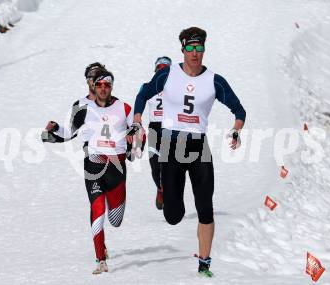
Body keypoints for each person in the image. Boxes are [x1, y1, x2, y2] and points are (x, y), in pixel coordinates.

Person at [132, 27, 246, 277]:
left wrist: (236, 130)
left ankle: (204, 263)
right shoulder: (167, 76)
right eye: (191, 48)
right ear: (182, 50)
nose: (195, 53)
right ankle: (171, 198)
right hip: (172, 147)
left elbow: (239, 110)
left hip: (198, 147)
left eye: (200, 48)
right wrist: (138, 120)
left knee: (205, 207)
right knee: (173, 215)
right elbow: (142, 95)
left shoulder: (215, 80)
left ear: (204, 49)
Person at [42, 69, 144, 274]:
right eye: (99, 85)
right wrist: (54, 129)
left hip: (117, 167)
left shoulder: (123, 107)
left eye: (107, 85)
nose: (103, 89)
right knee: (97, 210)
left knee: (115, 220)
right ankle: (100, 259)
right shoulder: (84, 109)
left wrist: (136, 140)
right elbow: (69, 132)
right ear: (93, 87)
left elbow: (138, 134)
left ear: (112, 87)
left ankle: (110, 206)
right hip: (94, 166)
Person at [142, 56, 172, 210]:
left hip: (170, 128)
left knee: (170, 165)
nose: (161, 71)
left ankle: (171, 193)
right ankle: (160, 189)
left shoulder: (175, 88)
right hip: (154, 128)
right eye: (159, 68)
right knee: (155, 165)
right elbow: (139, 101)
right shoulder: (148, 87)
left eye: (165, 69)